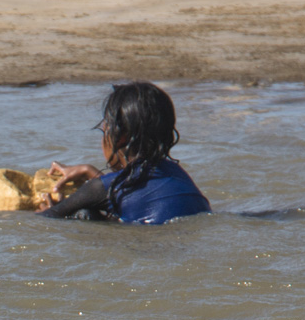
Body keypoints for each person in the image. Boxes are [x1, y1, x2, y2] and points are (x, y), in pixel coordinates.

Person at [38, 81, 212, 224]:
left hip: (150, 251)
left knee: (83, 214)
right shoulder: (177, 173)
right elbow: (136, 192)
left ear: (120, 137)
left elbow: (46, 219)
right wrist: (91, 172)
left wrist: (48, 210)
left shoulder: (99, 189)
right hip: (194, 240)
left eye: (104, 130)